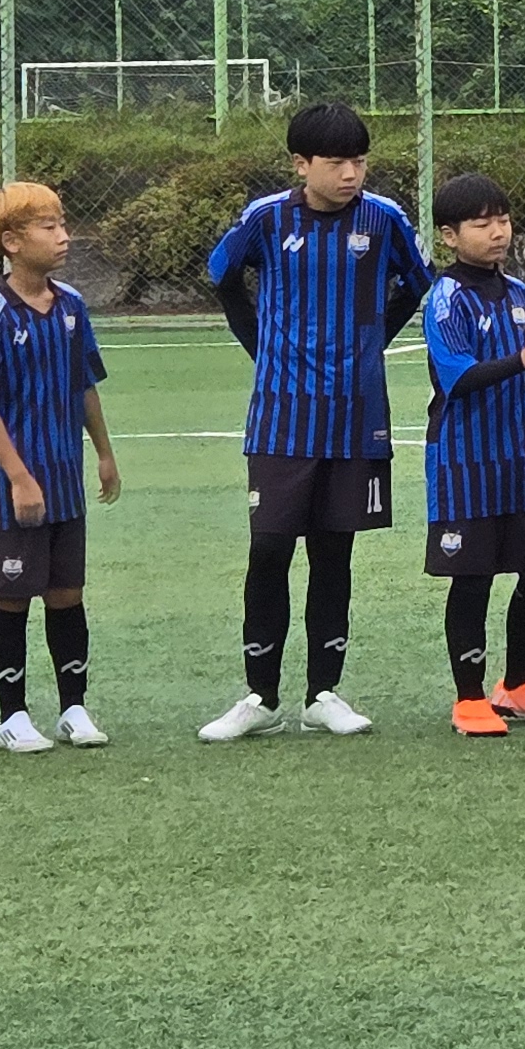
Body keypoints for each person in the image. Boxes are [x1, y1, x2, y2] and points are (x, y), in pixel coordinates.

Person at [198, 101, 431, 742]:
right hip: (281, 417)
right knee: (270, 549)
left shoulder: (384, 219)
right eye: (336, 163)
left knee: (334, 553)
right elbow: (223, 277)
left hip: (356, 417)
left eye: (359, 161)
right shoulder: (267, 218)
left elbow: (417, 284)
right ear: (302, 164)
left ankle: (322, 693)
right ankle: (259, 696)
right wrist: (261, 347)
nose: (351, 174)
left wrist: (371, 340)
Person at [0, 180, 117, 753]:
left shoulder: (71, 305)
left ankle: (74, 707)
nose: (63, 236)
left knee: (67, 593)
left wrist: (103, 453)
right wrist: (20, 478)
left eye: (62, 223)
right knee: (11, 596)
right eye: (48, 227)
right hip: (11, 491)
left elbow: (84, 384)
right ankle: (12, 716)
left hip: (63, 483)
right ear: (11, 242)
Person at [421, 172, 525, 737]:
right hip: (464, 460)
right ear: (449, 236)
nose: (498, 232)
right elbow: (457, 378)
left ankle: (518, 685)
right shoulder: (445, 299)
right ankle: (469, 698)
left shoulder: (516, 293)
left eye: (504, 220)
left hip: (517, 459)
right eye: (482, 224)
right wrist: (522, 360)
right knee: (474, 576)